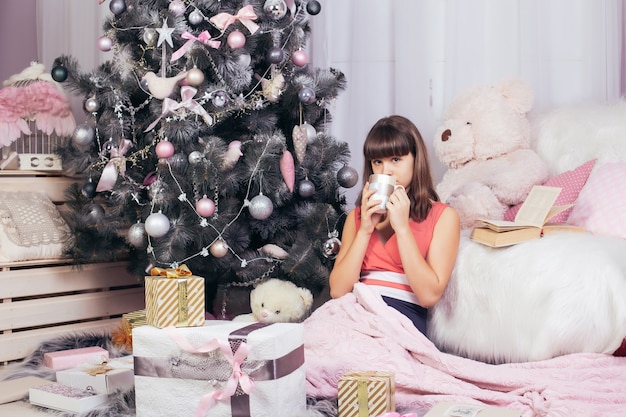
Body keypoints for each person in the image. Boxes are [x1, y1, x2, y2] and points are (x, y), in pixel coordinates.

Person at [329, 115, 460, 335]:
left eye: (396, 160)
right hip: (355, 313)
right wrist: (365, 230)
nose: (385, 171)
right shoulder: (358, 217)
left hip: (402, 320)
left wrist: (402, 229)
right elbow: (338, 290)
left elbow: (428, 296)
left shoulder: (443, 217)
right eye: (377, 162)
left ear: (415, 160)